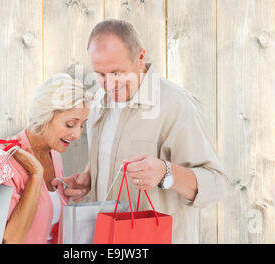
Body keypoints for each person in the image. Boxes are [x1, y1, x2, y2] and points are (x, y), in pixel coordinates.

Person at [54, 19, 229, 243]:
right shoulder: (99, 102)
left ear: (140, 58)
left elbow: (217, 184)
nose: (109, 84)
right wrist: (91, 176)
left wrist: (165, 173)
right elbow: (113, 153)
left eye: (117, 72)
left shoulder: (176, 106)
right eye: (100, 74)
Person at [2, 73, 93, 244]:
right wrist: (36, 176)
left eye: (82, 125)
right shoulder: (9, 161)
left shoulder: (54, 154)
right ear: (45, 115)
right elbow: (9, 239)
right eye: (70, 124)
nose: (77, 134)